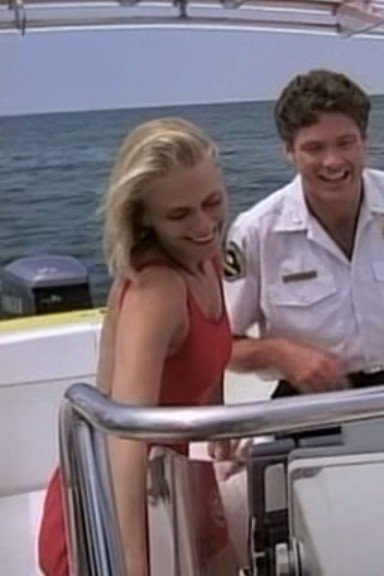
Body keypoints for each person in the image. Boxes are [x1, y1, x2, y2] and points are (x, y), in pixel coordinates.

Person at [38, 118, 235, 575]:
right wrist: (129, 562)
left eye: (211, 202)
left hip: (175, 479)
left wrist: (220, 425)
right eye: (179, 215)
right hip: (115, 504)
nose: (204, 225)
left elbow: (210, 354)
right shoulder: (156, 292)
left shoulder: (206, 259)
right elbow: (124, 433)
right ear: (144, 216)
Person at [224, 69, 384, 397]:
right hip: (311, 402)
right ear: (289, 151)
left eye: (345, 143)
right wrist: (279, 354)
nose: (333, 161)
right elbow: (222, 344)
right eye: (314, 148)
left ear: (364, 140)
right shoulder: (256, 231)